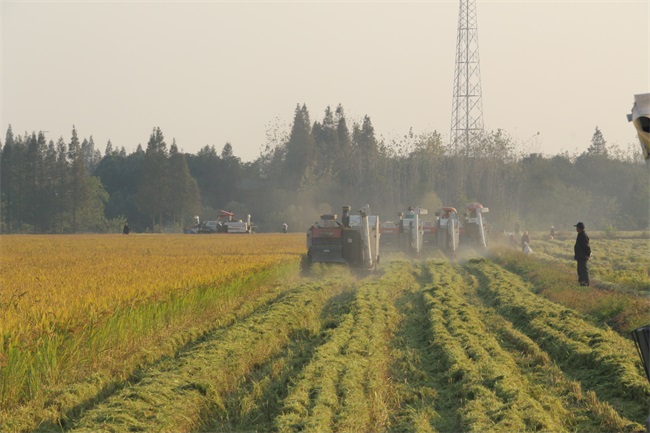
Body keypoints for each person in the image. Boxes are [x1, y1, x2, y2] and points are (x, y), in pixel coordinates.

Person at [573, 222, 591, 286]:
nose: (576, 229)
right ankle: (581, 283)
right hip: (580, 257)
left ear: (580, 228)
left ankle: (585, 284)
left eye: (577, 227)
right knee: (580, 271)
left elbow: (587, 247)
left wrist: (587, 255)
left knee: (583, 271)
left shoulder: (583, 236)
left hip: (583, 257)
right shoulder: (580, 234)